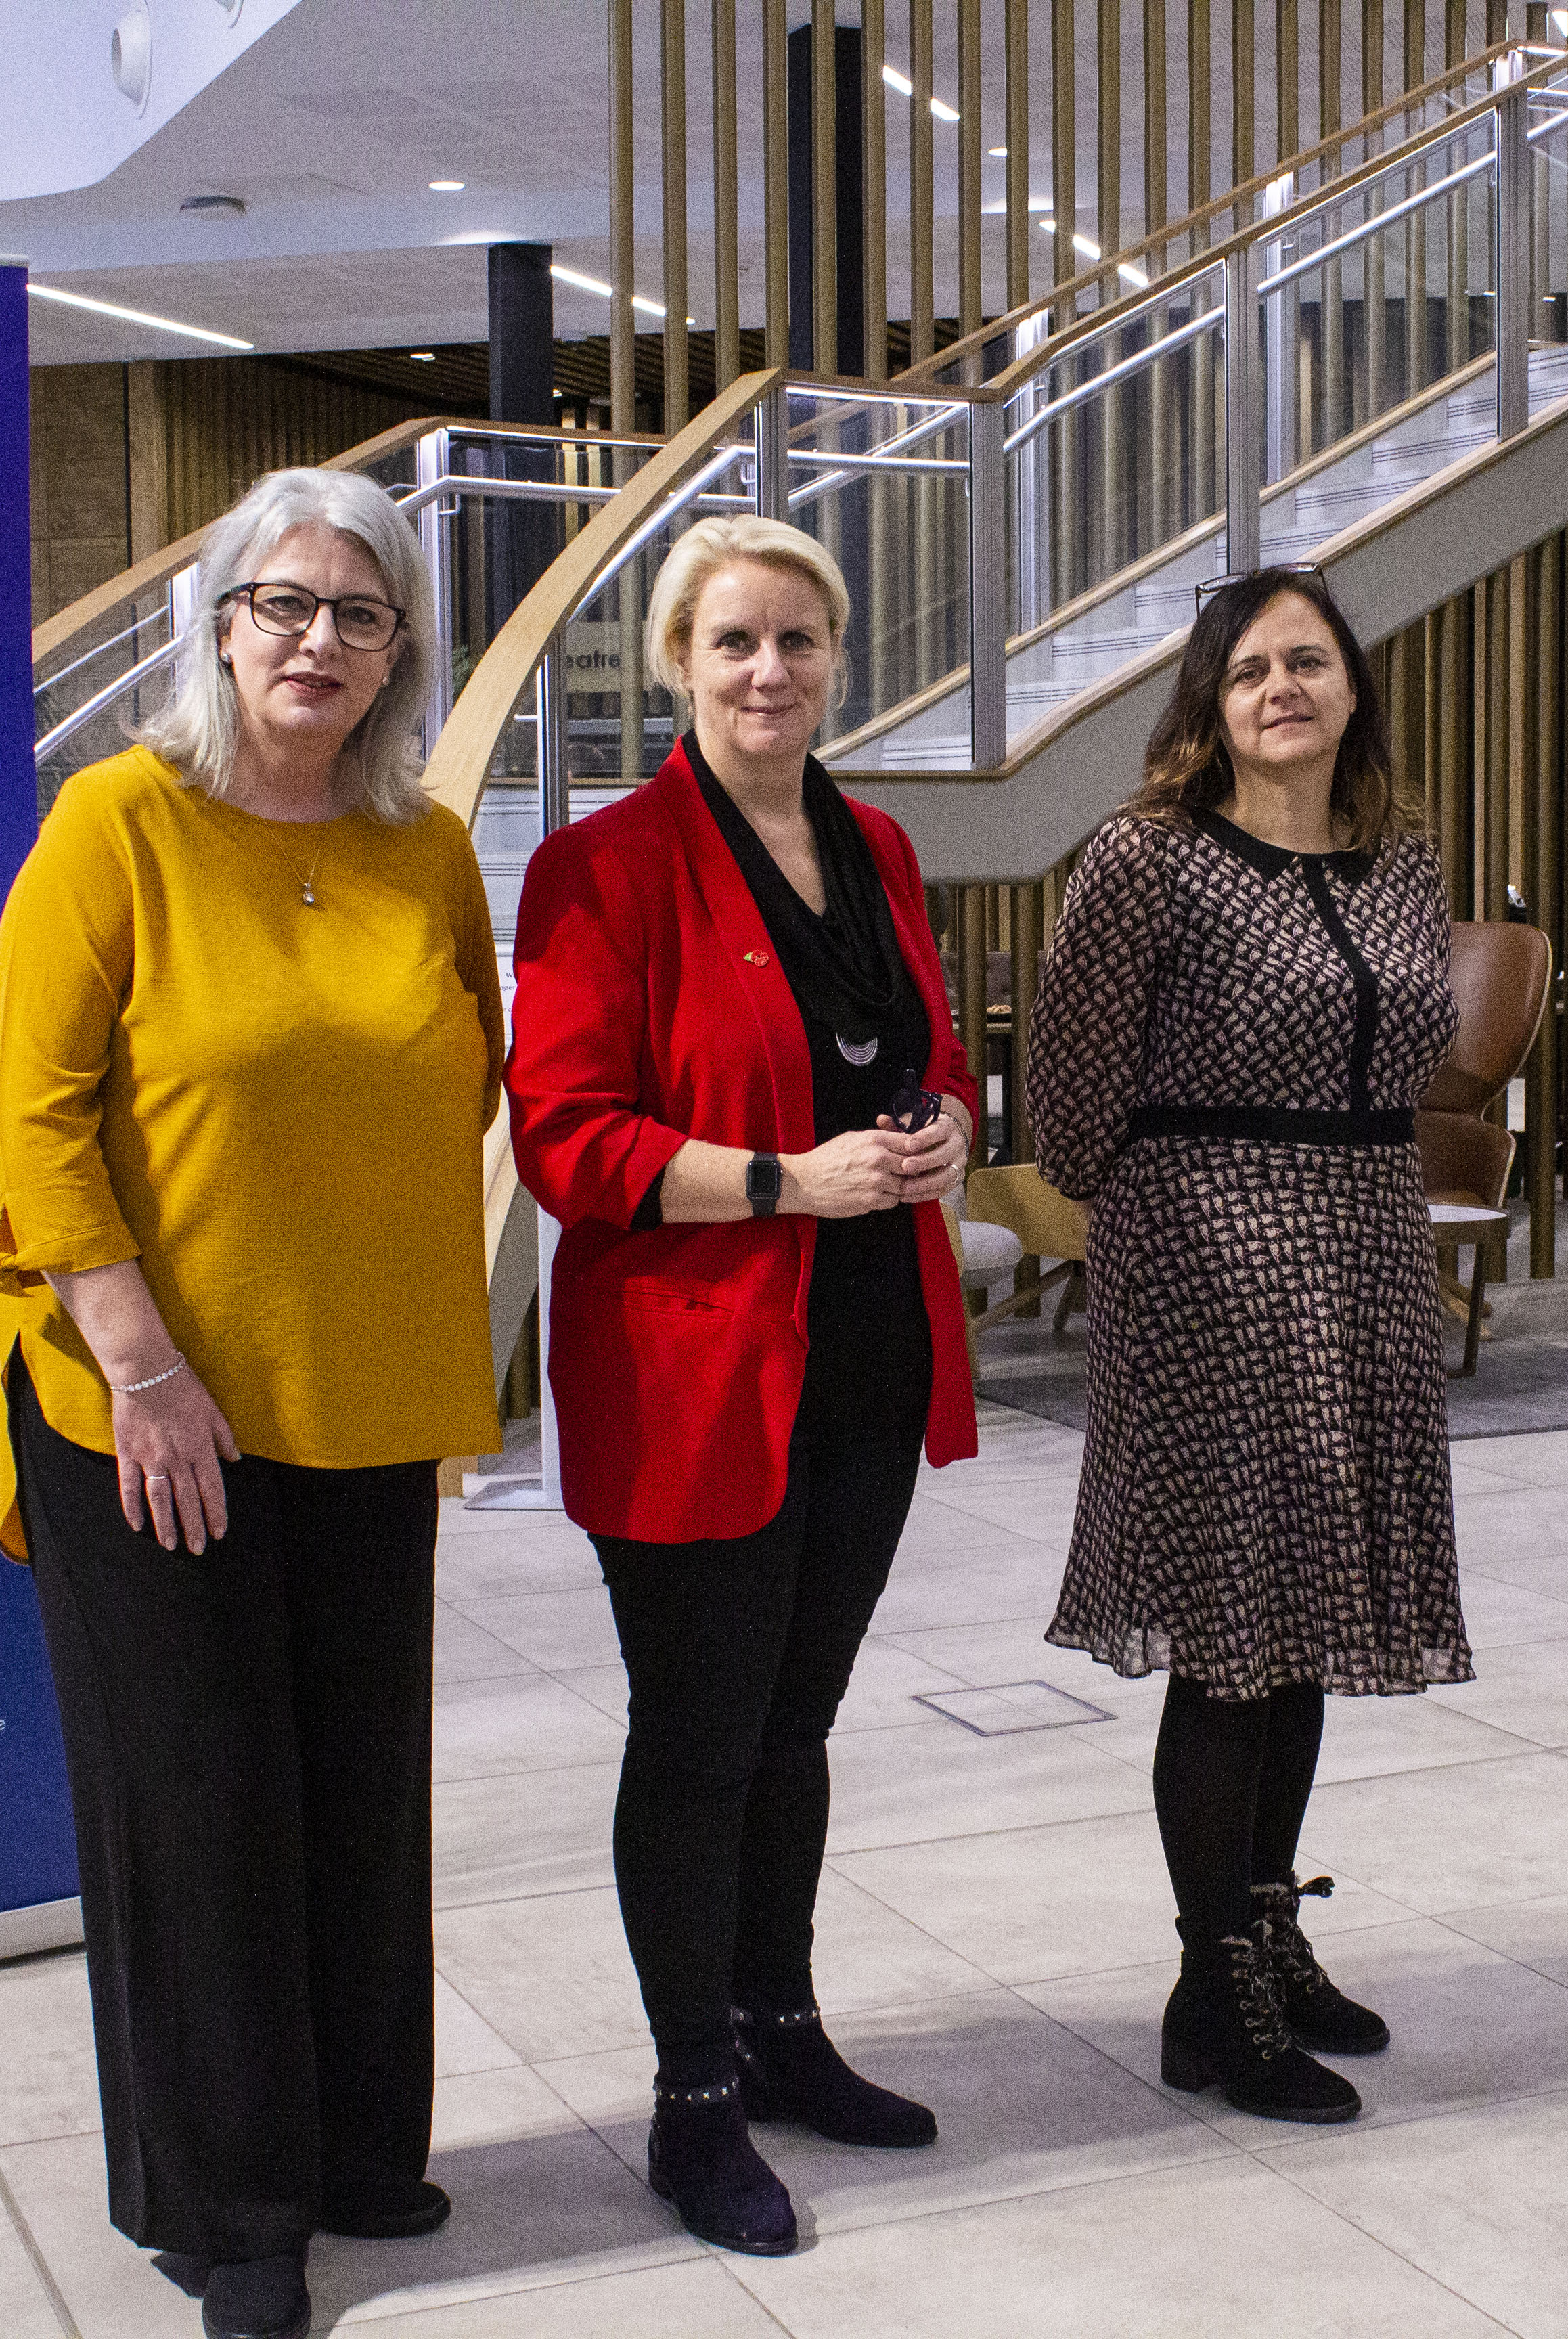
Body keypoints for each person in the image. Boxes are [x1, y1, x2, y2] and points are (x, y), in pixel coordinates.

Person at [0, 468, 501, 2339]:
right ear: (218, 625)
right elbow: (32, 1122)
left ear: (401, 654)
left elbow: (465, 1073)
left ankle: (359, 2143)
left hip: (361, 1391)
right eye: (285, 604)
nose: (318, 642)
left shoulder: (424, 850)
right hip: (148, 1405)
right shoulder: (118, 821)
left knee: (361, 1786)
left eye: (360, 616)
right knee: (198, 1799)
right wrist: (140, 1365)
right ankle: (232, 2208)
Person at [505, 516, 979, 2257]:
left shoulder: (879, 847)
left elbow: (922, 1052)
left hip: (863, 1348)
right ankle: (690, 2096)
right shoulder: (603, 867)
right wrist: (785, 1180)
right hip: (696, 1366)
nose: (768, 672)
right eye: (733, 645)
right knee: (701, 1740)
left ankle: (782, 2033)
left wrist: (942, 1128)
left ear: (836, 658)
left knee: (797, 1726)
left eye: (797, 641)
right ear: (676, 666)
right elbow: (567, 1140)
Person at [1029, 565, 1468, 2127]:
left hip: (1361, 1252)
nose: (1282, 686)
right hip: (1205, 1264)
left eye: (1308, 659)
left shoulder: (1398, 858)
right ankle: (1212, 1987)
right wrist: (1189, 1209)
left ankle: (1266, 1933)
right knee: (1226, 1643)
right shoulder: (1147, 857)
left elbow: (1414, 1057)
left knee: (1305, 1624)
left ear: (1353, 682)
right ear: (1209, 708)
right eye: (1248, 670)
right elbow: (1069, 1111)